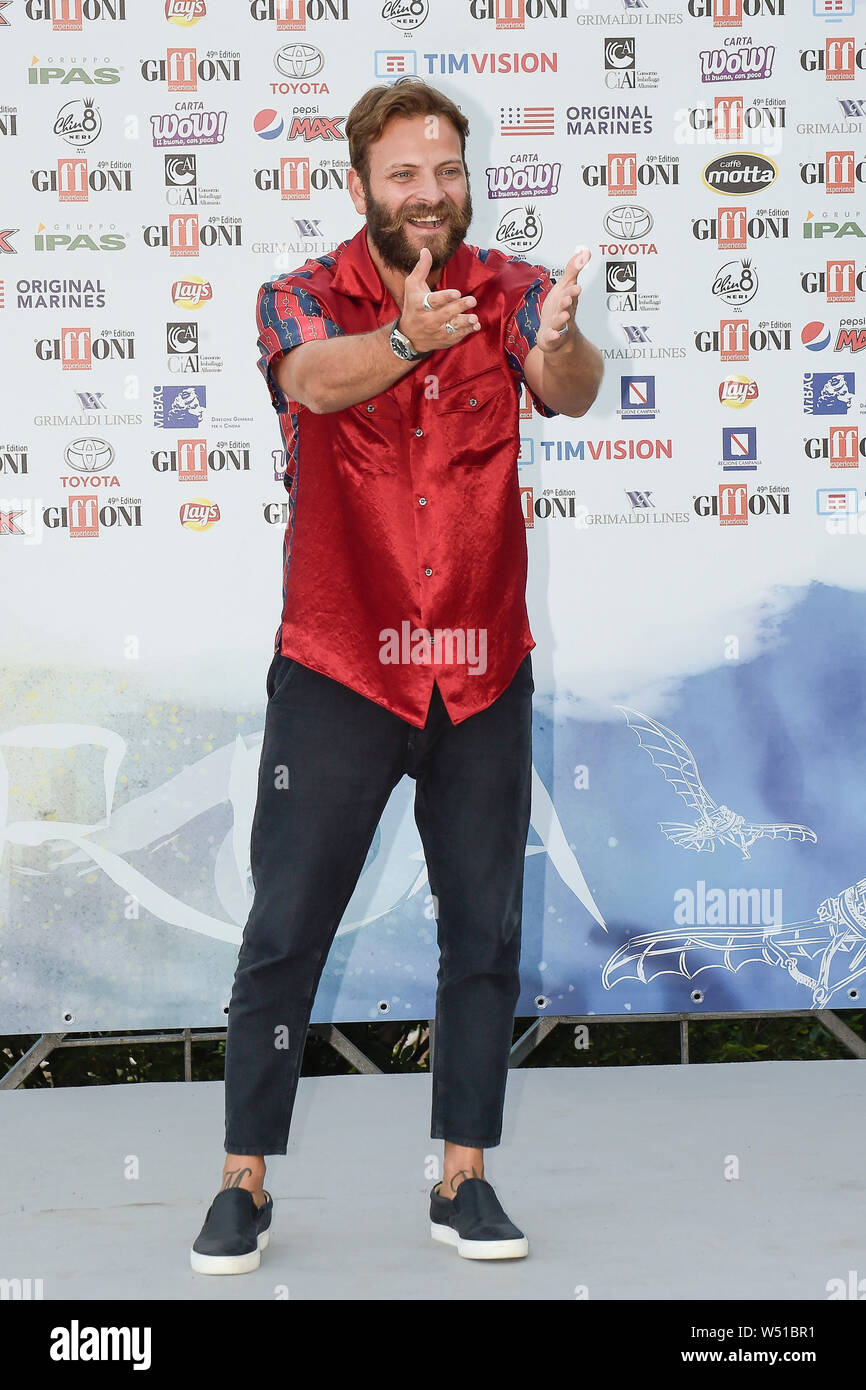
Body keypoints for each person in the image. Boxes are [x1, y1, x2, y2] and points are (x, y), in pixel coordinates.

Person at [190, 77, 602, 1275]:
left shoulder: (514, 292)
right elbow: (311, 384)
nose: (430, 195)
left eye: (446, 172)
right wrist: (403, 341)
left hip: (478, 669)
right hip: (340, 665)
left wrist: (564, 341)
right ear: (362, 184)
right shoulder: (299, 297)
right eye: (406, 176)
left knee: (482, 932)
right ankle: (242, 1183)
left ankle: (462, 1177)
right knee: (283, 931)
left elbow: (563, 388)